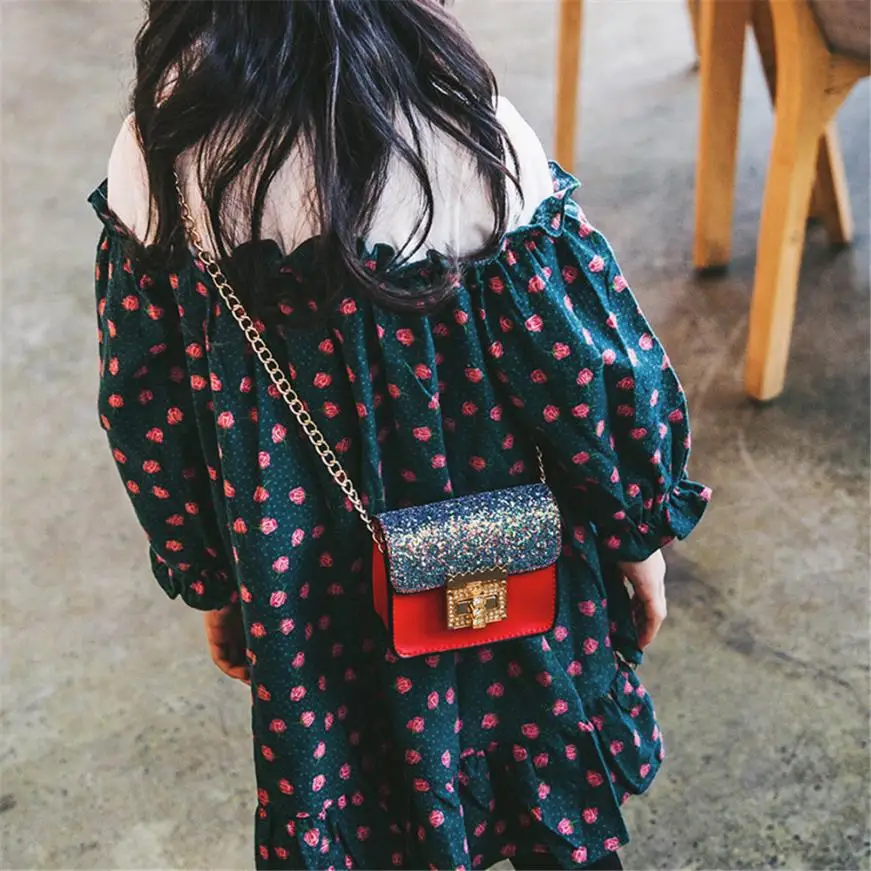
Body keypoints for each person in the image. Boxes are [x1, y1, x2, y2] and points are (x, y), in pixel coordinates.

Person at [91, 2, 710, 868]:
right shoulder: (465, 128)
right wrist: (635, 532)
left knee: (361, 793)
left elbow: (145, 407)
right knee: (543, 781)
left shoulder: (160, 148)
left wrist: (210, 579)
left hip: (308, 596)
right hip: (499, 562)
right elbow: (587, 378)